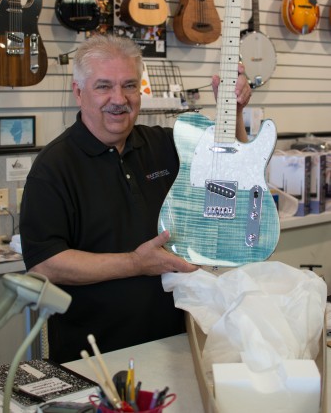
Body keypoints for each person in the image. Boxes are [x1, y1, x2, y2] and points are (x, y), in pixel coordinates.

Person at [20, 34, 251, 364]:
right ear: (78, 92)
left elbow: (236, 174)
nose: (119, 98)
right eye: (104, 86)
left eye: (129, 85)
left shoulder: (168, 144)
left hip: (179, 343)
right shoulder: (53, 168)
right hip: (94, 358)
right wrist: (135, 263)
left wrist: (234, 112)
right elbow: (45, 262)